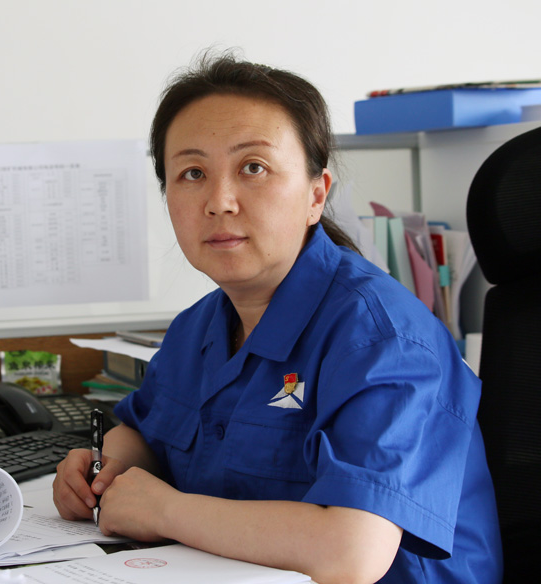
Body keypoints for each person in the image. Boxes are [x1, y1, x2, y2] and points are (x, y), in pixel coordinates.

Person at [53, 52, 502, 584]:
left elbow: (351, 553)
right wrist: (104, 469)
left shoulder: (382, 339)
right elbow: (148, 432)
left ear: (317, 194)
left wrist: (164, 511)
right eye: (192, 173)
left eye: (253, 168)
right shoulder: (197, 328)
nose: (219, 201)